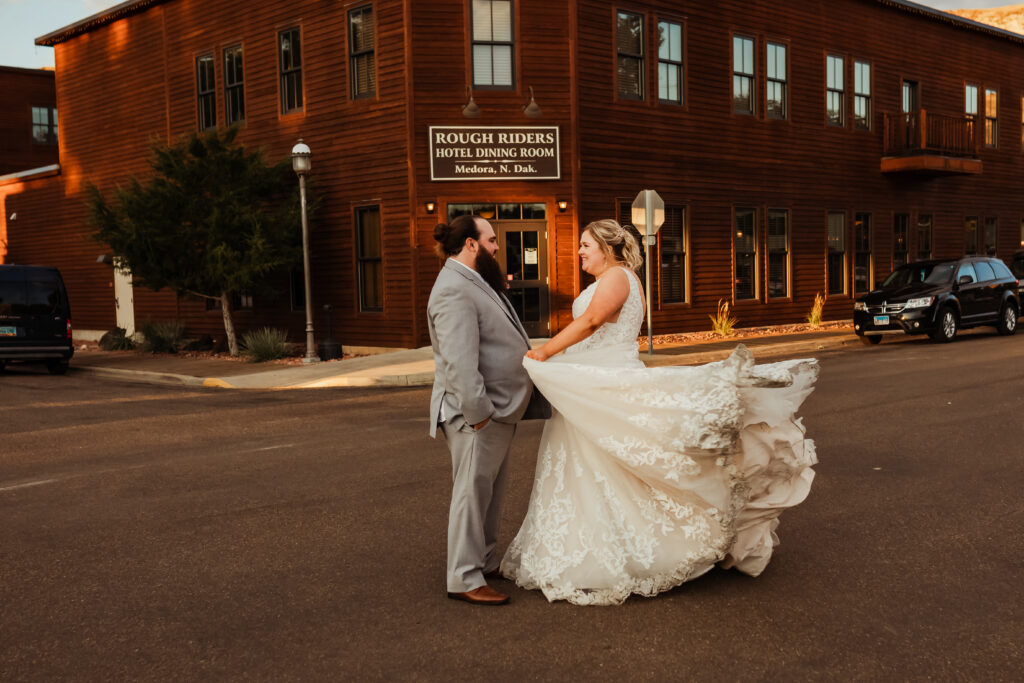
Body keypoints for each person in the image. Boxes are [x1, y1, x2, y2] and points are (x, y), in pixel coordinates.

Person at [500, 219, 818, 606]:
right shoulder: (615, 279)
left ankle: (631, 553)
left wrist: (545, 352)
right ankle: (595, 546)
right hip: (590, 382)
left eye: (585, 245)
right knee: (600, 469)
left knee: (608, 465)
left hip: (606, 382)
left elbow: (592, 321)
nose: (580, 251)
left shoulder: (617, 277)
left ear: (607, 246)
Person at [427, 214, 549, 606]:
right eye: (492, 240)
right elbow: (460, 362)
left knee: (490, 492)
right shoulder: (453, 290)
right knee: (471, 493)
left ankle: (483, 560)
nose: (498, 246)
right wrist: (479, 413)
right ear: (471, 244)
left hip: (498, 411)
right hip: (478, 414)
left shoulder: (475, 281)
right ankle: (463, 578)